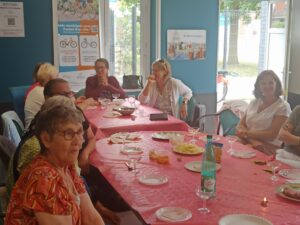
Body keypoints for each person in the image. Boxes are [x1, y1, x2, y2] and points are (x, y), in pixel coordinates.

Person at [5, 105, 105, 225]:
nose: (78, 141)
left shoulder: (67, 166)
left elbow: (91, 218)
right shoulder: (43, 180)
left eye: (79, 132)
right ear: (46, 139)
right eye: (69, 134)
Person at [236, 70, 291, 155]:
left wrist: (246, 134)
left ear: (277, 84)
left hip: (268, 147)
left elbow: (272, 134)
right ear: (259, 86)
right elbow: (240, 125)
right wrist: (252, 139)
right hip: (250, 141)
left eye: (271, 83)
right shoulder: (254, 102)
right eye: (263, 83)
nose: (267, 86)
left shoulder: (283, 107)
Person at [24, 63, 58, 129]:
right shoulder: (42, 92)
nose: (58, 79)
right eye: (56, 76)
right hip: (35, 132)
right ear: (49, 78)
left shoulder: (38, 89)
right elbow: (58, 111)